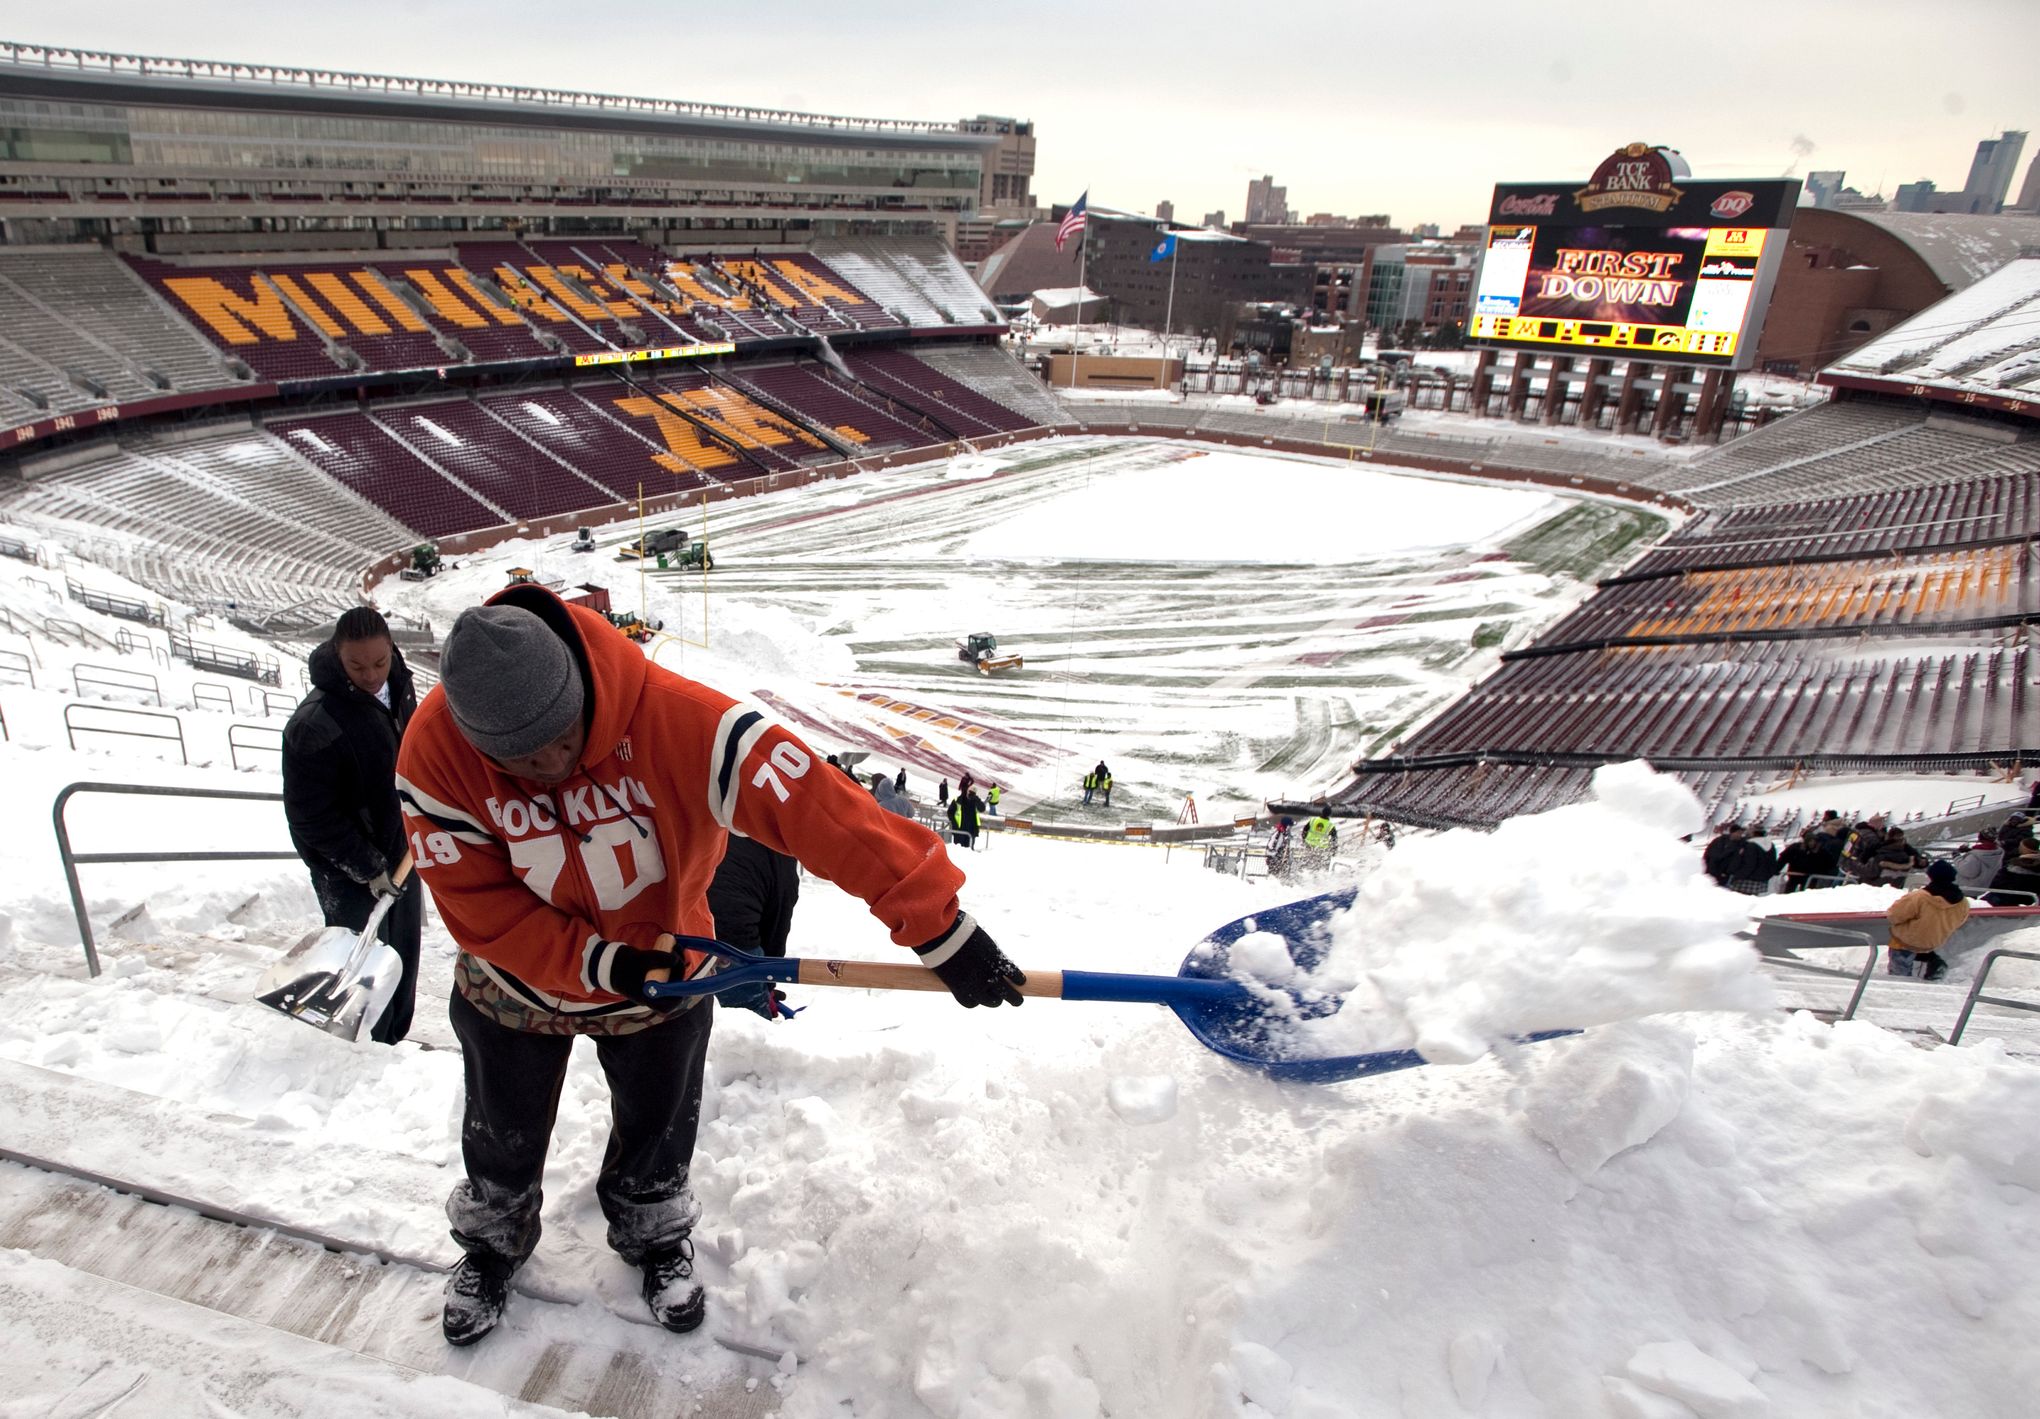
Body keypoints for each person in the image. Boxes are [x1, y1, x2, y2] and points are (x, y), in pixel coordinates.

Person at [395, 588, 1025, 1347]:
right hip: (516, 978)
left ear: (577, 691)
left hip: (665, 966)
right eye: (520, 760)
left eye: (560, 741)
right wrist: (597, 962)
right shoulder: (433, 755)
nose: (549, 769)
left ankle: (653, 1229)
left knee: (659, 1123)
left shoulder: (678, 718)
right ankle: (492, 1242)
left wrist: (937, 923)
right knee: (502, 1127)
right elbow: (479, 907)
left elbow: (821, 807)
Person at [281, 607, 422, 1045]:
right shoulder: (314, 725)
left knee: (401, 958)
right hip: (351, 876)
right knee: (362, 978)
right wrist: (368, 868)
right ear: (336, 657)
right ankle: (363, 1050)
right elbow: (310, 816)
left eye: (379, 662)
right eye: (357, 666)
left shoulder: (399, 683)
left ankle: (394, 1044)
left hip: (401, 855)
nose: (371, 675)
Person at [705, 835, 799, 960]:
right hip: (734, 940)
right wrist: (769, 972)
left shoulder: (717, 824)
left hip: (687, 933)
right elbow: (777, 925)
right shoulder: (779, 849)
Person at [1886, 860, 1969, 980]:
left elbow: (1894, 915)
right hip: (1932, 942)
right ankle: (1932, 966)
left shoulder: (1919, 897)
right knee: (1920, 967)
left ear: (1931, 876)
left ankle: (1900, 981)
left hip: (1905, 942)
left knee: (1899, 976)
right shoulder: (1962, 902)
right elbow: (1961, 920)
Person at [1952, 832, 2004, 896]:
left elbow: (1966, 871)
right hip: (1981, 888)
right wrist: (1971, 851)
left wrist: (1956, 857)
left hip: (1966, 889)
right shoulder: (1997, 853)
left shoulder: (1975, 856)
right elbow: (1985, 853)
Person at [946, 784, 984, 850]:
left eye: (973, 793)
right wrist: (954, 823)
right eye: (970, 792)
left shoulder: (976, 801)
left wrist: (978, 800)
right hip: (959, 829)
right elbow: (950, 812)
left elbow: (982, 809)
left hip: (972, 830)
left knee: (969, 850)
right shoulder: (958, 800)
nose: (970, 794)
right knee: (958, 849)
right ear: (967, 791)